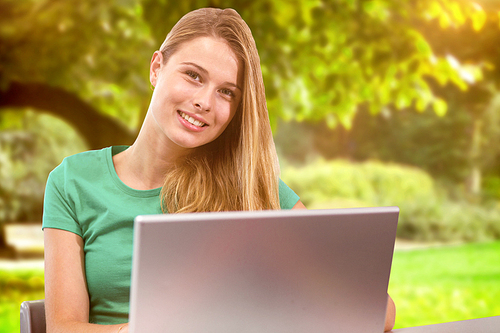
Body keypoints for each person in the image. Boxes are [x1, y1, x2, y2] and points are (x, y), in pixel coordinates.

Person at [42, 7, 395, 333]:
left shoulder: (249, 187)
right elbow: (63, 327)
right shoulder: (73, 182)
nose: (205, 102)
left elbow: (378, 309)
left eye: (227, 92)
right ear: (156, 68)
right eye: (193, 75)